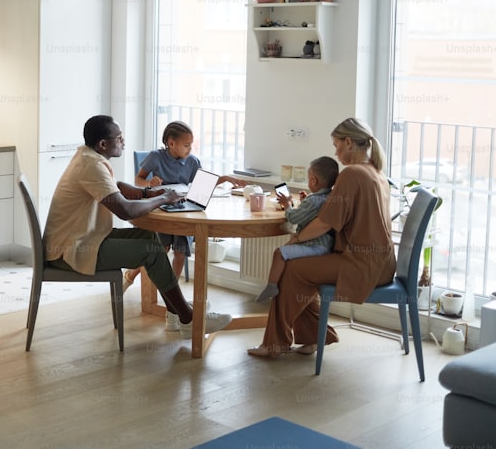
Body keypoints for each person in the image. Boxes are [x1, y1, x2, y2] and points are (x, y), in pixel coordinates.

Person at [44, 115, 233, 337]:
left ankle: (177, 312)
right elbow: (126, 211)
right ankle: (188, 318)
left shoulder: (87, 156)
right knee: (150, 253)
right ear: (103, 144)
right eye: (119, 138)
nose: (123, 142)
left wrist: (147, 193)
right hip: (69, 250)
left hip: (82, 239)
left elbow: (116, 186)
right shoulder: (91, 165)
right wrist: (164, 199)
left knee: (150, 238)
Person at [247, 118, 396, 357]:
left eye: (336, 145)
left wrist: (297, 239)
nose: (335, 152)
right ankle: (315, 337)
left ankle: (275, 344)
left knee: (292, 268)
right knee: (301, 271)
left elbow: (324, 223)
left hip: (361, 265)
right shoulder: (376, 173)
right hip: (383, 265)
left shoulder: (352, 174)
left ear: (348, 142)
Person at [125, 121, 248, 331]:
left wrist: (225, 178)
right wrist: (149, 184)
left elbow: (202, 185)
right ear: (171, 143)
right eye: (186, 145)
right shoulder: (156, 157)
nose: (190, 149)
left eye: (191, 145)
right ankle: (132, 274)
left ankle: (173, 307)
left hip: (183, 211)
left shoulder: (192, 161)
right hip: (162, 210)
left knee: (180, 254)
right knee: (160, 250)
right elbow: (138, 180)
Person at [254, 156, 339, 303]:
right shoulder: (328, 196)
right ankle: (276, 287)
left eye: (308, 178)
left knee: (279, 253)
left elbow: (293, 218)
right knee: (286, 250)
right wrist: (304, 201)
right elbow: (311, 214)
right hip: (325, 245)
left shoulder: (313, 201)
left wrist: (287, 205)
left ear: (313, 180)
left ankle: (272, 285)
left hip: (315, 246)